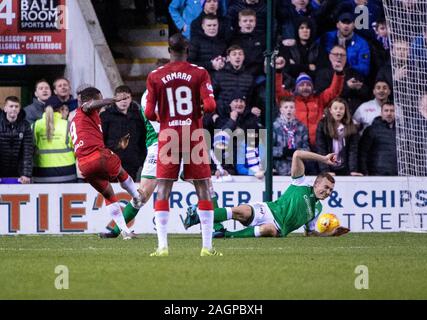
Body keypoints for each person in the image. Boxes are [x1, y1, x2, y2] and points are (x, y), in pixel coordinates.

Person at [144, 33, 222, 256]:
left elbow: (149, 112)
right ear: (187, 50)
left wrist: (166, 118)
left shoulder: (155, 76)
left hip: (169, 136)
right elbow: (210, 106)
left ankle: (162, 247)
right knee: (203, 187)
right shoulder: (199, 72)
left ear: (168, 51)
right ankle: (207, 247)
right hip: (193, 135)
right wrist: (194, 111)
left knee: (164, 188)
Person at [183, 149, 350, 238]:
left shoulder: (317, 209)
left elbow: (310, 233)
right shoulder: (300, 183)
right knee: (240, 211)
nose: (327, 192)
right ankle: (198, 215)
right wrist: (323, 158)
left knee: (268, 229)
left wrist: (331, 234)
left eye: (330, 190)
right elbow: (298, 154)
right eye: (326, 187)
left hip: (277, 229)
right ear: (316, 183)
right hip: (268, 210)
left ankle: (224, 234)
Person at [70, 87, 143, 240]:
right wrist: (113, 100)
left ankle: (125, 232)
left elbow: (90, 141)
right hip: (97, 156)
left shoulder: (76, 118)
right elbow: (90, 105)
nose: (102, 104)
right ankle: (137, 197)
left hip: (83, 164)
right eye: (100, 99)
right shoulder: (86, 109)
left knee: (108, 194)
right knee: (121, 172)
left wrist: (117, 146)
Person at [100, 85, 147, 181]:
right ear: (115, 99)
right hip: (111, 162)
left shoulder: (138, 116)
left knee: (131, 192)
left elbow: (143, 139)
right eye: (120, 98)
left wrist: (141, 160)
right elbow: (101, 140)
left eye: (127, 98)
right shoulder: (106, 116)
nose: (124, 101)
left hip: (133, 164)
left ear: (131, 99)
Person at [32, 95, 77, 183]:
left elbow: (30, 148)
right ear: (61, 109)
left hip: (40, 174)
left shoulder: (35, 125)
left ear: (45, 109)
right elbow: (77, 149)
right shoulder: (69, 125)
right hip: (67, 174)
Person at [315, 98, 362, 176]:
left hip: (344, 167)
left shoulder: (351, 126)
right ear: (330, 110)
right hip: (328, 167)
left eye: (341, 108)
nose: (338, 111)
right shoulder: (323, 125)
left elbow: (353, 150)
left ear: (345, 111)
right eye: (335, 108)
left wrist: (352, 170)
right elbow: (321, 149)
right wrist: (325, 170)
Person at [358, 100, 397, 176]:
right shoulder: (371, 130)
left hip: (397, 173)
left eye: (392, 111)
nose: (389, 113)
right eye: (386, 111)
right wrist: (364, 172)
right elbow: (363, 153)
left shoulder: (401, 131)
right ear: (381, 113)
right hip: (376, 174)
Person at [0, 96, 33, 183]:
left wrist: (26, 174)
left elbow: (27, 151)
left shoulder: (25, 125)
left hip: (19, 173)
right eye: (11, 106)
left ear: (19, 109)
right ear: (5, 108)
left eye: (16, 106)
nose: (14, 109)